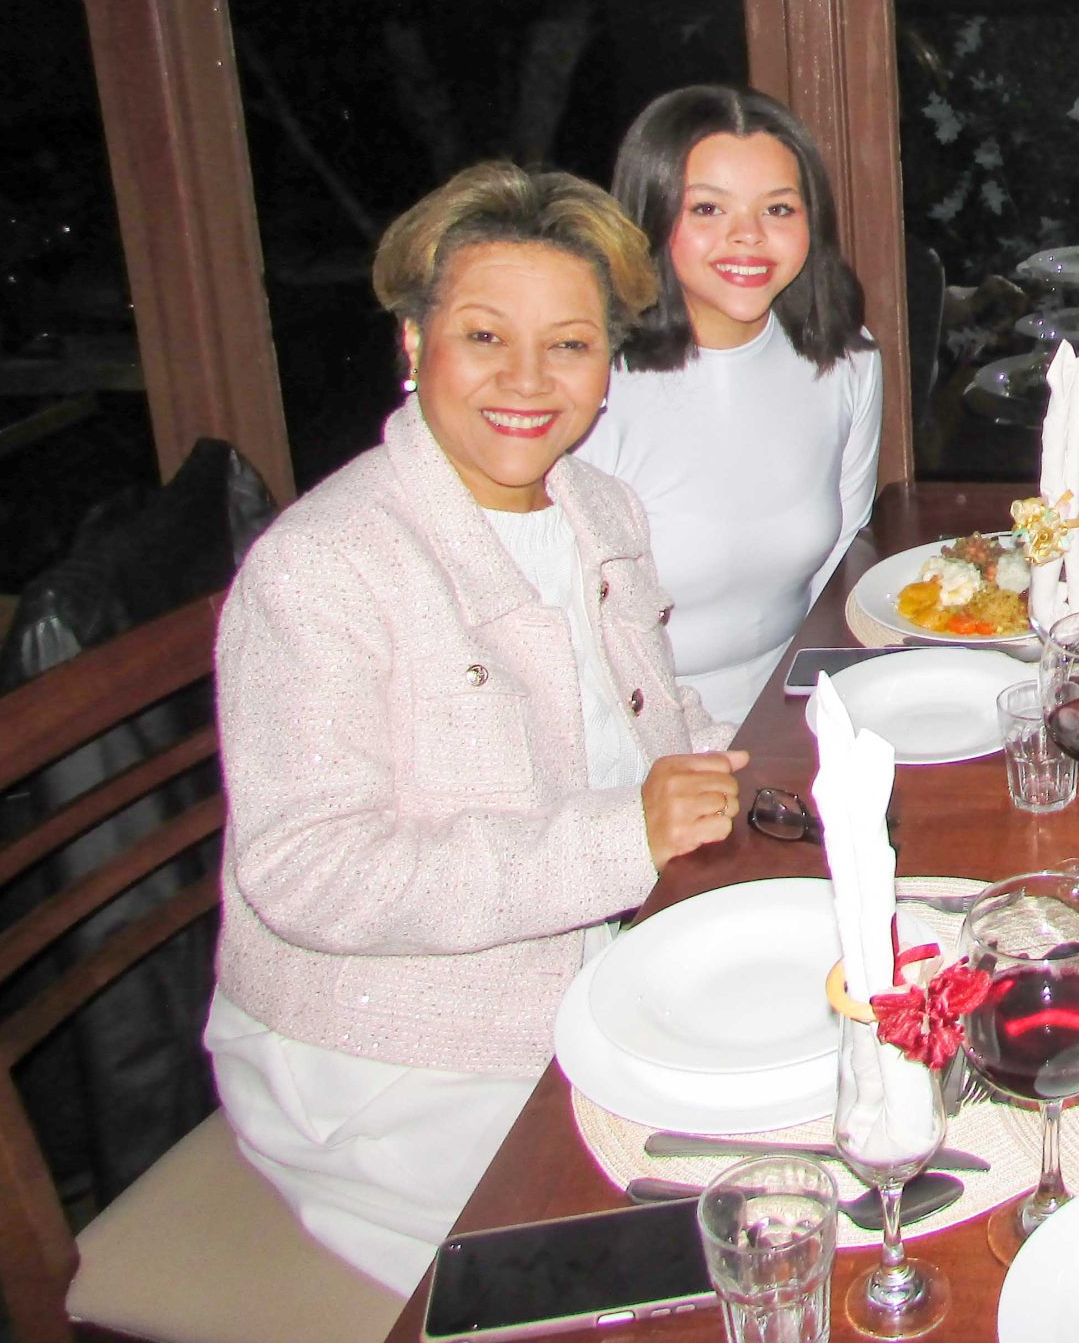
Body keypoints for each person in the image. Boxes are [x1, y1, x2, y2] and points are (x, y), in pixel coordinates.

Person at [207, 163, 748, 1291]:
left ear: (607, 366)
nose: (527, 380)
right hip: (397, 1061)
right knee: (728, 1255)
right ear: (415, 343)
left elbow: (648, 711)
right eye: (485, 336)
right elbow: (305, 875)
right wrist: (625, 837)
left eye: (570, 344)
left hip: (593, 981)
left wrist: (740, 768)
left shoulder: (596, 504)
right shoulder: (325, 565)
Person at [578, 87, 882, 724]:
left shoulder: (846, 359)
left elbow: (840, 560)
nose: (748, 235)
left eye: (778, 208)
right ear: (651, 217)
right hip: (623, 725)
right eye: (708, 208)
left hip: (791, 710)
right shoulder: (586, 381)